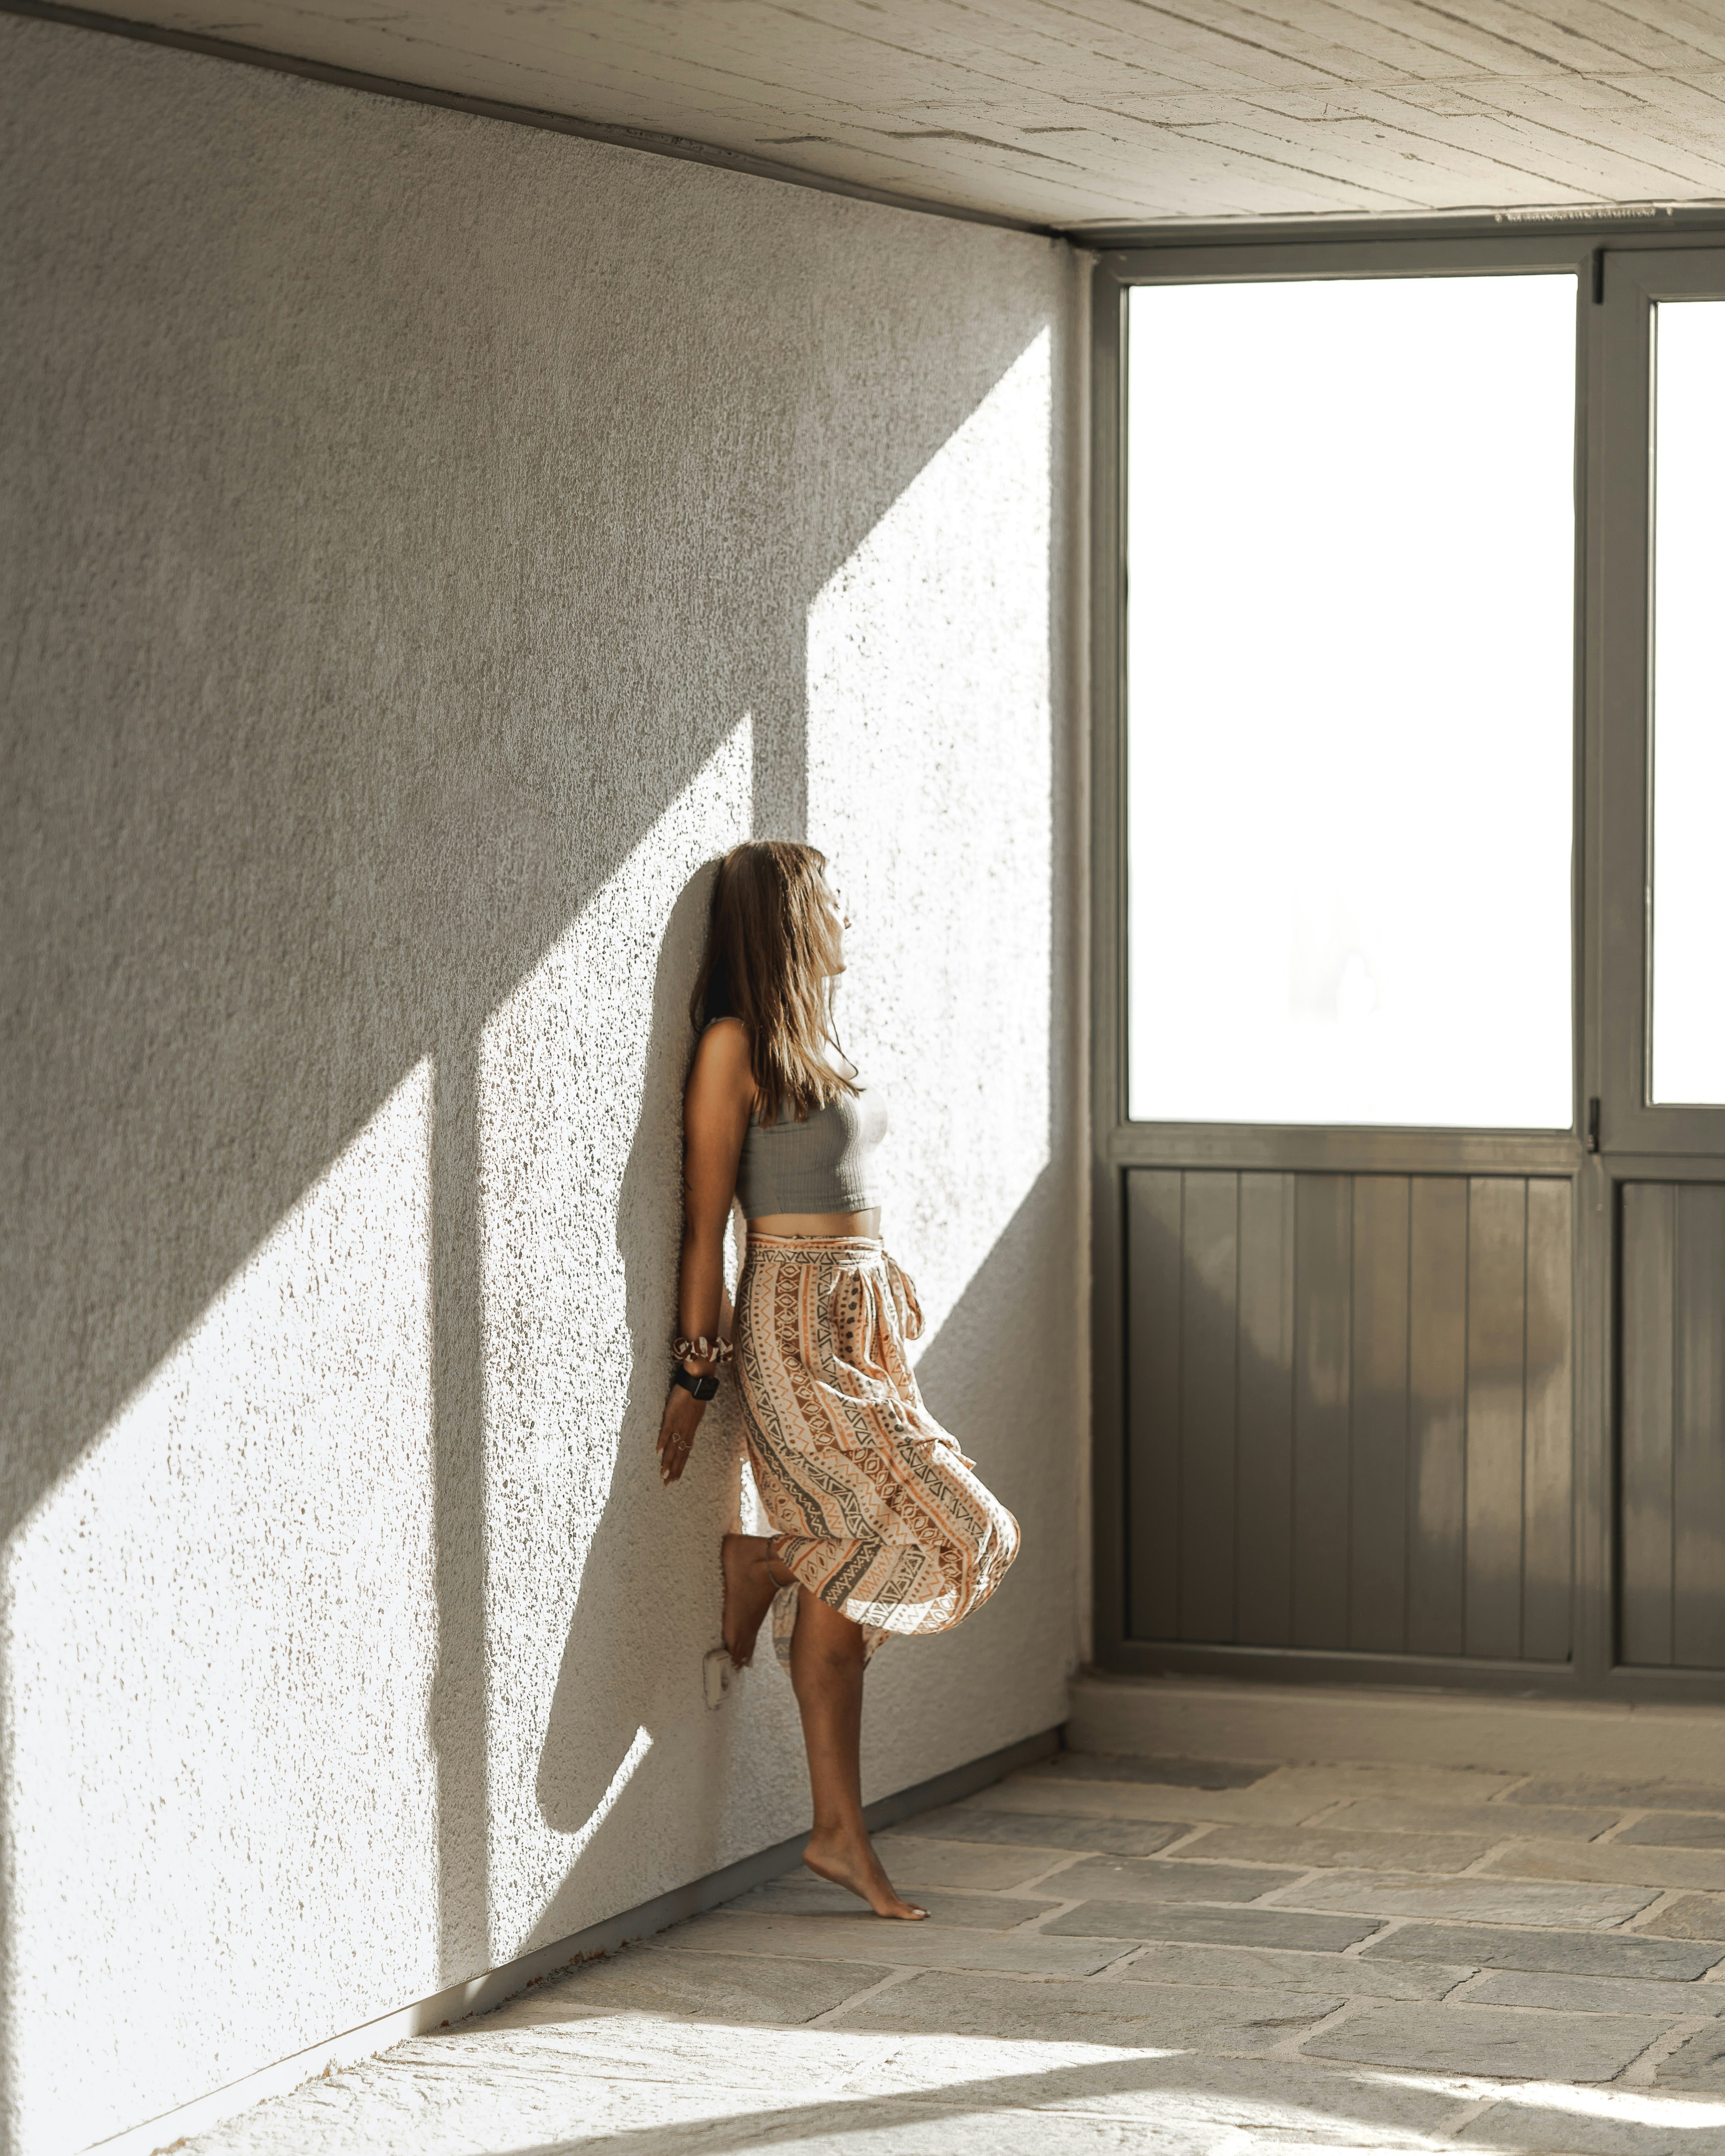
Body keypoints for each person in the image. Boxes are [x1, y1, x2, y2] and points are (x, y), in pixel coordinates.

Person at [655, 840, 1019, 1921]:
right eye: (834, 904)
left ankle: (831, 1822)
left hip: (859, 1331)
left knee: (925, 1554)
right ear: (787, 919)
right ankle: (767, 1570)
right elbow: (705, 1224)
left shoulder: (810, 1037)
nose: (848, 920)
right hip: (789, 1331)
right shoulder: (732, 1047)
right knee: (930, 1537)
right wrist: (695, 1373)